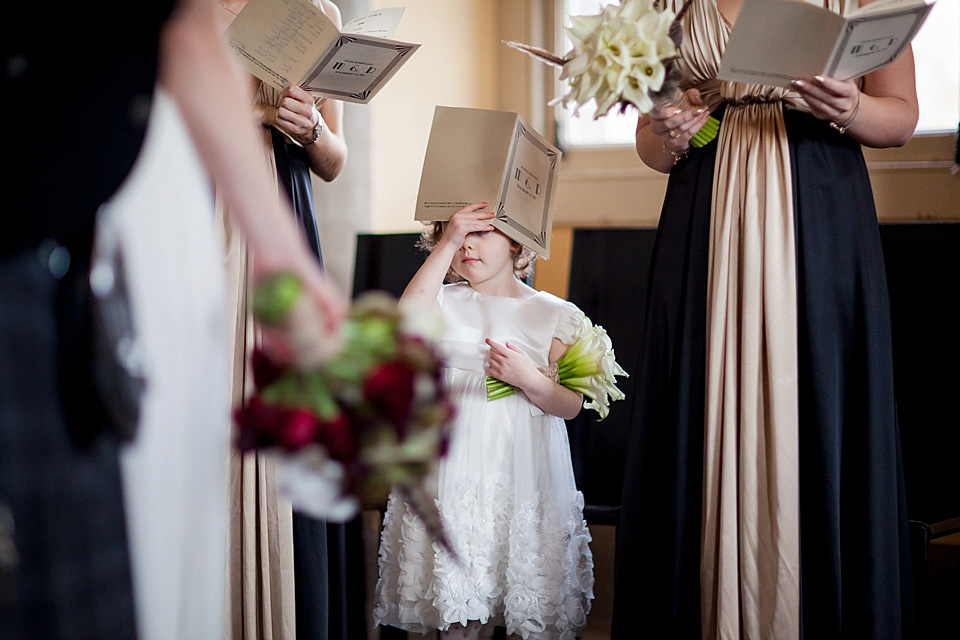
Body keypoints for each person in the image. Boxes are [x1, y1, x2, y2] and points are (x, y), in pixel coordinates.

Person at [0, 0, 345, 637]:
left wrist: (279, 252)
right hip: (95, 226)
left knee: (86, 573)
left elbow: (180, 34)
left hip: (77, 253)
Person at [611, 0, 919, 638]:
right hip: (703, 221)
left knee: (818, 398)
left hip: (819, 211)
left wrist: (851, 108)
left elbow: (902, 117)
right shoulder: (667, 5)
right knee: (693, 402)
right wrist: (665, 135)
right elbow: (649, 141)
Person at [373, 204, 595, 640]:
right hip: (454, 475)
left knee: (523, 603)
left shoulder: (553, 315)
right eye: (454, 234)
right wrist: (448, 241)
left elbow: (569, 406)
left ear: (515, 240)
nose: (466, 243)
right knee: (461, 612)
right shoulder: (441, 303)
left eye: (482, 232)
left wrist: (529, 379)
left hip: (519, 472)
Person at [215, 2, 352, 638]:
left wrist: (313, 130)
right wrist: (261, 113)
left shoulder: (314, 9)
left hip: (281, 211)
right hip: (200, 209)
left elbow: (334, 159)